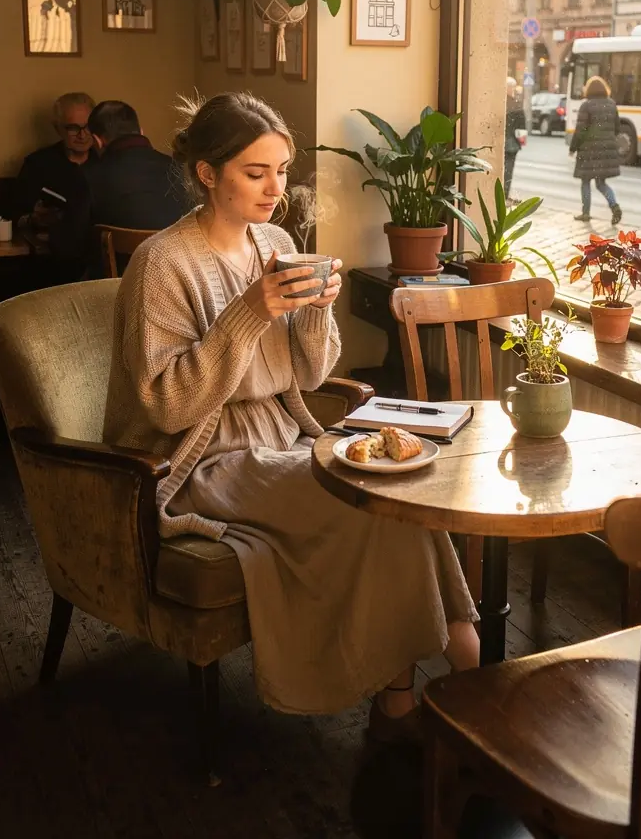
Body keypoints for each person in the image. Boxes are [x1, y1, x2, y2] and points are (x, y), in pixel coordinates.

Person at [103, 91, 479, 737]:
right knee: (368, 505)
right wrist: (249, 312)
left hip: (283, 433)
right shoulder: (161, 263)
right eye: (256, 172)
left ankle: (453, 668)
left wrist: (315, 309)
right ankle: (445, 685)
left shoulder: (276, 242)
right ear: (207, 173)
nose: (275, 188)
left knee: (401, 495)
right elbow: (166, 405)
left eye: (281, 170)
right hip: (206, 458)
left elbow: (306, 376)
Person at [49, 99, 189, 275]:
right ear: (141, 132)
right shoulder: (179, 169)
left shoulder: (87, 175)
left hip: (112, 292)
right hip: (176, 284)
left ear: (97, 141)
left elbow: (67, 249)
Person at [13, 92, 97, 228]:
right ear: (58, 129)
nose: (82, 135)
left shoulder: (107, 162)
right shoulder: (37, 164)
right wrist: (34, 219)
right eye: (73, 128)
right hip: (52, 244)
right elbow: (13, 215)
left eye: (88, 127)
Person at [569, 75, 623, 225]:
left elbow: (580, 130)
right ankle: (615, 207)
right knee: (601, 183)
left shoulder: (586, 105)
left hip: (588, 151)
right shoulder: (612, 104)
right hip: (606, 150)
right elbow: (617, 128)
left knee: (585, 181)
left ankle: (585, 213)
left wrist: (573, 148)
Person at [503, 76, 527, 196]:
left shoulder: (499, 102)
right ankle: (504, 194)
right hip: (512, 143)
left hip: (499, 142)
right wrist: (522, 141)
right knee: (508, 170)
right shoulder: (516, 105)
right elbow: (522, 126)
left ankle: (497, 192)